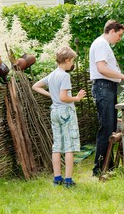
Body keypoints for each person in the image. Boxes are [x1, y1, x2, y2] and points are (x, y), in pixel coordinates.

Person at [32, 46, 86, 187]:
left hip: (54, 112)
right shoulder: (64, 75)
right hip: (65, 112)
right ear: (67, 60)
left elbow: (36, 86)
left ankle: (57, 178)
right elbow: (64, 97)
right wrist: (77, 98)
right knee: (69, 146)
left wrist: (51, 95)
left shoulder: (52, 75)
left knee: (57, 146)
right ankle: (68, 180)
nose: (72, 64)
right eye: (72, 61)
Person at [89, 19, 124, 177]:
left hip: (107, 88)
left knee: (111, 128)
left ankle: (108, 165)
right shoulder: (101, 43)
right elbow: (101, 68)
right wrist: (123, 76)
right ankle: (99, 168)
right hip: (103, 87)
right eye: (119, 35)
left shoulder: (103, 44)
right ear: (112, 31)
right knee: (106, 128)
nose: (119, 39)